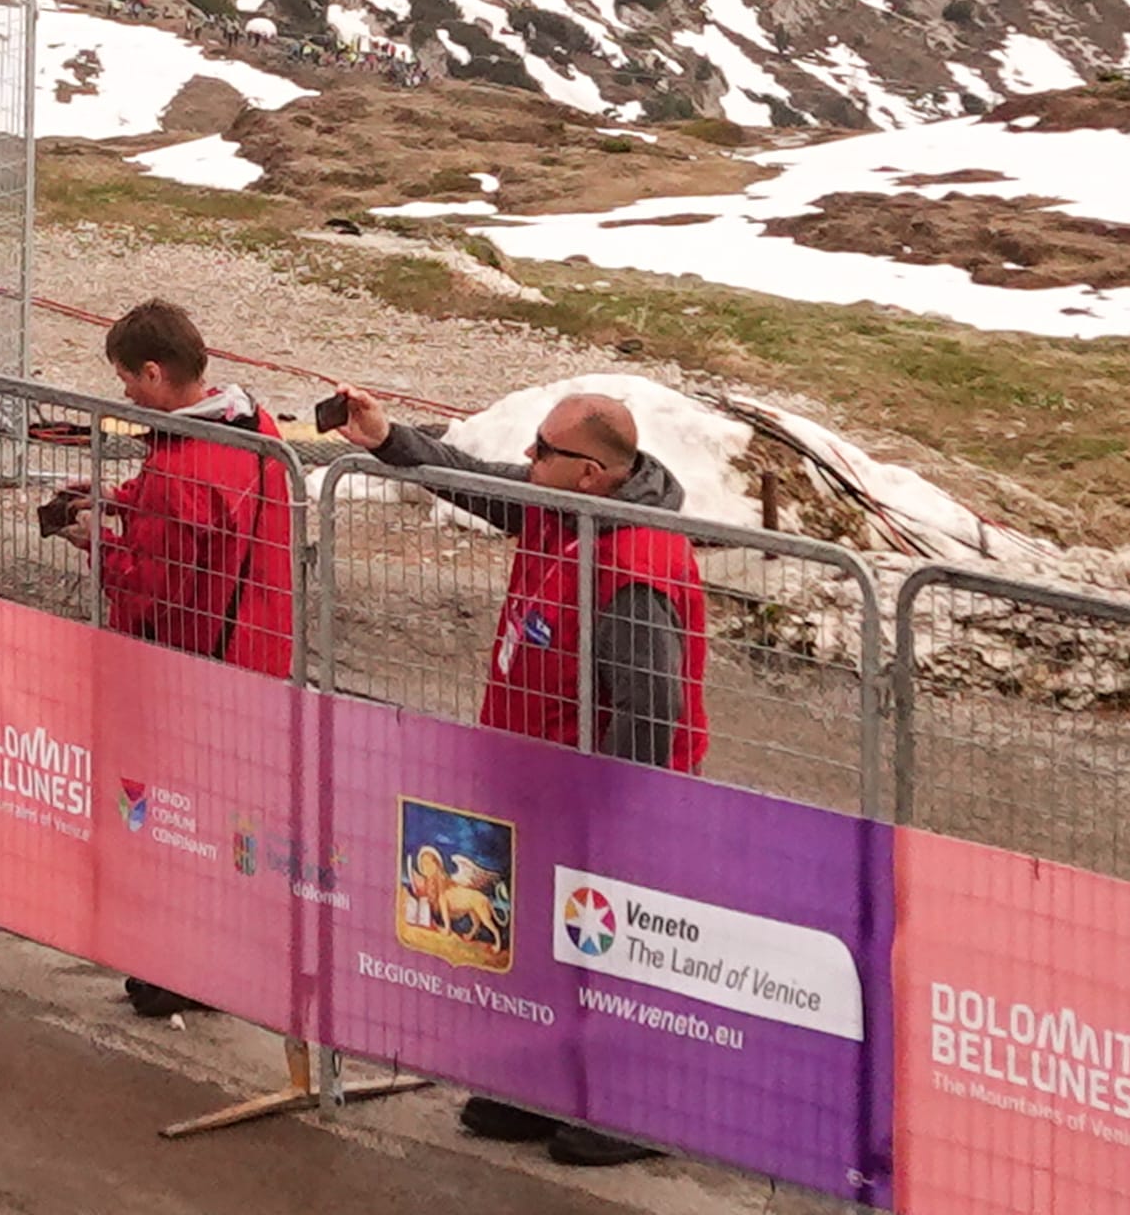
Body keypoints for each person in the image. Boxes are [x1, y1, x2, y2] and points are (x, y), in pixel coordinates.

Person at [328, 379, 711, 1166]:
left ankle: (630, 1109)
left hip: (603, 798)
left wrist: (611, 808)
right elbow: (472, 478)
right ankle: (543, 1083)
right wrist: (388, 437)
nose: (527, 458)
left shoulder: (634, 567)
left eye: (543, 450)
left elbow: (649, 708)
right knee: (538, 941)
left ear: (592, 475)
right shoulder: (558, 507)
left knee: (609, 953)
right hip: (534, 781)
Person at [36, 299, 294, 1016]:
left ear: (154, 372)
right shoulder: (251, 424)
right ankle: (213, 954)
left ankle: (192, 963)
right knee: (229, 814)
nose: (122, 394)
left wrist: (93, 538)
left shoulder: (183, 472)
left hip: (194, 665)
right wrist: (124, 498)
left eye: (126, 379)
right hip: (256, 647)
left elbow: (153, 587)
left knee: (187, 818)